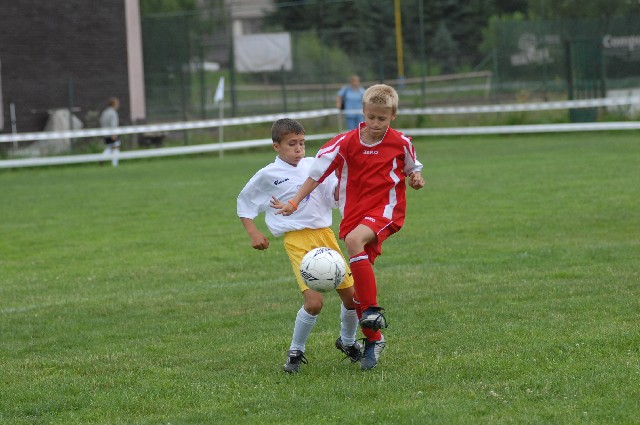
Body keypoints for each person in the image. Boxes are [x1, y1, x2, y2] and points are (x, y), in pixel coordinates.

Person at [273, 84, 426, 371]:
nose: (376, 123)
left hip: (386, 210)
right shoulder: (344, 143)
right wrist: (294, 201)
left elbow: (412, 169)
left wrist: (416, 179)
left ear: (393, 115)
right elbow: (316, 175)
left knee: (354, 243)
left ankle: (372, 310)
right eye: (371, 117)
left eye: (382, 118)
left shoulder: (401, 142)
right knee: (356, 294)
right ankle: (374, 339)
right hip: (354, 214)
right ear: (363, 112)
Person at [237, 118, 362, 374]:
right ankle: (296, 351)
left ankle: (348, 342)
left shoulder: (314, 166)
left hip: (325, 237)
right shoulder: (268, 175)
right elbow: (245, 202)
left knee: (352, 299)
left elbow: (333, 195)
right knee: (314, 303)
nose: (298, 149)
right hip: (297, 241)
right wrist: (253, 233)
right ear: (276, 146)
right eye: (291, 144)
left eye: (302, 143)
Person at [99, 96, 120, 167]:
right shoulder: (113, 113)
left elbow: (102, 122)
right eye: (117, 103)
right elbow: (113, 124)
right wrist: (114, 134)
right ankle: (115, 164)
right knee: (116, 148)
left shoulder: (104, 112)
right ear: (113, 104)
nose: (118, 105)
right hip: (112, 134)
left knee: (109, 148)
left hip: (105, 134)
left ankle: (102, 157)